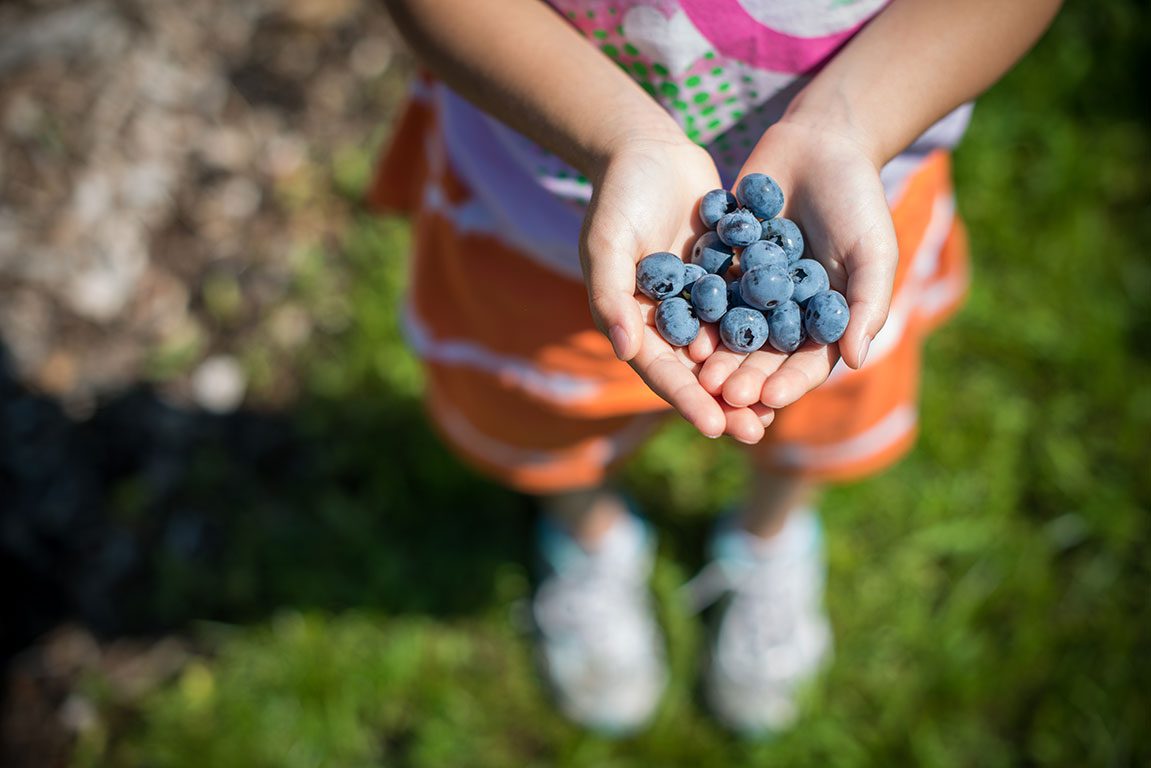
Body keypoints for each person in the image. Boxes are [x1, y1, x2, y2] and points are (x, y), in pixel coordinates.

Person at [372, 0, 1061, 737]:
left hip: (863, 185)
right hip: (536, 205)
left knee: (816, 410)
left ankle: (767, 536)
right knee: (543, 406)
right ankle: (589, 531)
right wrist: (619, 138)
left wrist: (848, 126)